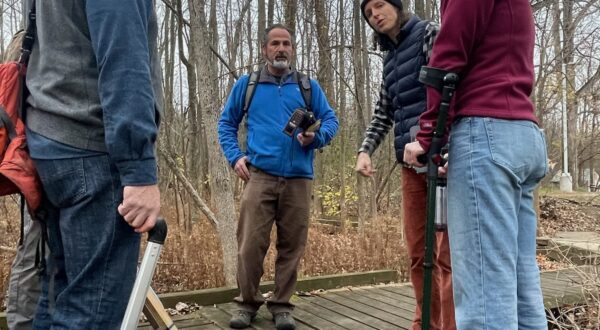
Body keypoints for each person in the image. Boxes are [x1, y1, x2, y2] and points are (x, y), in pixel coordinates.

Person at [404, 0, 548, 328]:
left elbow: (448, 55)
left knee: (484, 299)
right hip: (522, 134)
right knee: (521, 287)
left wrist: (429, 136)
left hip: (488, 136)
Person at [23, 0, 163, 328]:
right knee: (93, 308)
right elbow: (123, 60)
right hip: (91, 146)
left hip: (49, 139)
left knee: (60, 291)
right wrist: (138, 168)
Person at [218, 24, 338, 330]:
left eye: (286, 43)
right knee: (249, 245)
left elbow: (332, 120)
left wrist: (317, 137)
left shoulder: (308, 86)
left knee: (292, 246)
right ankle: (247, 303)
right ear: (264, 49)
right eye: (275, 43)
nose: (281, 48)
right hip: (259, 176)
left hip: (299, 178)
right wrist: (235, 157)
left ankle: (282, 305)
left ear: (293, 49)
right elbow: (226, 124)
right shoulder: (249, 85)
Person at [355, 1, 456, 329]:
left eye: (380, 6)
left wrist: (447, 148)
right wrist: (365, 150)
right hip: (410, 166)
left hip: (442, 163)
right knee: (417, 252)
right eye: (369, 14)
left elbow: (450, 90)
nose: (375, 16)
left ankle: (452, 324)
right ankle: (424, 322)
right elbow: (384, 111)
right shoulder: (390, 59)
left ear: (398, 5)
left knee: (447, 254)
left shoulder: (429, 34)